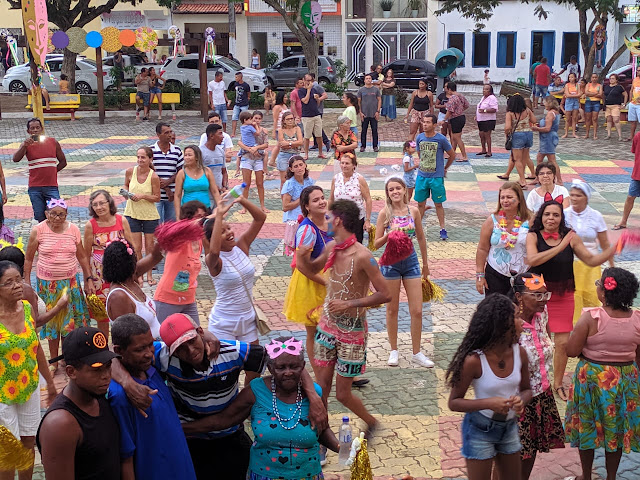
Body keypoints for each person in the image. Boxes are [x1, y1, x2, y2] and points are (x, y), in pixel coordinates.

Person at [181, 336, 338, 479]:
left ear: (303, 366)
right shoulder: (256, 392)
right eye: (281, 367)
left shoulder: (314, 394)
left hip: (308, 475)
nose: (288, 372)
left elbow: (323, 430)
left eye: (294, 366)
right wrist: (180, 429)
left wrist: (343, 448)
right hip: (264, 475)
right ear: (270, 368)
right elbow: (222, 420)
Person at [301, 199, 391, 436]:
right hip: (327, 327)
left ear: (339, 221)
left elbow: (386, 294)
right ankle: (321, 436)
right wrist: (300, 253)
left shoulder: (363, 256)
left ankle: (371, 422)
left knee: (342, 394)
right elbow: (311, 269)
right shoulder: (332, 247)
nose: (326, 221)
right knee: (321, 388)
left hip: (352, 332)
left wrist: (349, 303)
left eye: (328, 218)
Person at [526, 200, 617, 401]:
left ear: (561, 218)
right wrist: (561, 246)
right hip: (536, 296)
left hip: (563, 295)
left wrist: (610, 251)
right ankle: (535, 381)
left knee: (562, 343)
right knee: (536, 341)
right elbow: (533, 260)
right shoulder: (533, 236)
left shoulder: (571, 237)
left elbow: (590, 260)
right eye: (547, 214)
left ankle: (557, 383)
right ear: (541, 216)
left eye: (555, 215)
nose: (551, 218)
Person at [446, 294, 532, 479]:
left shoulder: (520, 354)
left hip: (509, 427)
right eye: (517, 317)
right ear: (502, 325)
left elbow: (527, 390)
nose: (522, 323)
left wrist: (521, 400)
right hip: (479, 429)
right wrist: (488, 403)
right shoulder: (474, 361)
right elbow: (454, 402)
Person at [566, 268, 640, 480]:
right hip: (625, 380)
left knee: (587, 428)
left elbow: (571, 350)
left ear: (605, 291)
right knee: (616, 430)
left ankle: (586, 476)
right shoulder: (637, 318)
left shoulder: (591, 317)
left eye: (599, 283)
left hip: (592, 380)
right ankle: (611, 477)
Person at [108, 314, 197, 480]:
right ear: (119, 351)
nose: (149, 353)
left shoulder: (151, 368)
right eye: (140, 349)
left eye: (150, 345)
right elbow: (126, 457)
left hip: (182, 468)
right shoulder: (121, 396)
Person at [0, 259, 59, 480]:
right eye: (9, 283)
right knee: (8, 449)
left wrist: (50, 383)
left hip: (28, 387)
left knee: (27, 441)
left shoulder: (26, 309)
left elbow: (36, 349)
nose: (17, 286)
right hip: (2, 395)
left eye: (19, 280)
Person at [37, 327, 120, 480]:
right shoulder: (61, 425)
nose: (106, 375)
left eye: (108, 366)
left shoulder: (98, 396)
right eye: (96, 370)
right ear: (71, 372)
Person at [23, 198, 92, 369]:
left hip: (70, 284)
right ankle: (54, 362)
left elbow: (82, 257)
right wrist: (27, 283)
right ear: (46, 214)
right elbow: (29, 258)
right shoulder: (38, 230)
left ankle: (67, 358)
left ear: (66, 215)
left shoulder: (73, 229)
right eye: (53, 214)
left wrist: (88, 279)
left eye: (61, 214)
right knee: (52, 323)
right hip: (48, 286)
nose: (57, 218)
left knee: (69, 324)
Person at [374, 176, 433, 368]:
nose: (395, 192)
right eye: (391, 189)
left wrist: (425, 264)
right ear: (387, 193)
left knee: (417, 310)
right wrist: (388, 235)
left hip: (411, 261)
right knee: (392, 309)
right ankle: (394, 350)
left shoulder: (413, 211)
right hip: (390, 263)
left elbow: (421, 237)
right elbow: (375, 244)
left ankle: (417, 352)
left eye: (398, 188)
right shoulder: (384, 213)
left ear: (404, 190)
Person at [511, 273, 565, 480]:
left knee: (530, 448)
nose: (543, 300)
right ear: (519, 296)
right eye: (537, 295)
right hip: (515, 400)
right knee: (510, 456)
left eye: (545, 294)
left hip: (541, 394)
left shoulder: (542, 314)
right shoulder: (509, 323)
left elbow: (546, 341)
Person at [283, 186, 332, 379]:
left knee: (337, 330)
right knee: (314, 332)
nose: (321, 202)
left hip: (331, 277)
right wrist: (325, 283)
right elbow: (302, 266)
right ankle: (320, 376)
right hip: (311, 284)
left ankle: (346, 373)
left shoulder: (330, 221)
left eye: (322, 197)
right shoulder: (306, 230)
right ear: (306, 206)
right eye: (315, 200)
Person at [205, 195, 266, 347]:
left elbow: (260, 219)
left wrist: (242, 200)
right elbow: (214, 251)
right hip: (224, 323)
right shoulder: (214, 261)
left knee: (254, 361)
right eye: (222, 231)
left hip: (248, 319)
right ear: (213, 239)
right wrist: (219, 215)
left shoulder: (241, 246)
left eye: (229, 228)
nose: (229, 233)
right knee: (229, 363)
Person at [83, 189, 132, 337]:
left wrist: (135, 274)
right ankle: (103, 345)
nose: (99, 207)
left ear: (109, 203)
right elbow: (85, 256)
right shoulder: (90, 225)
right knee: (102, 315)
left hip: (121, 272)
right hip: (99, 276)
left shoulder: (121, 220)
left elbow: (132, 248)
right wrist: (88, 280)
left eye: (102, 203)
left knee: (123, 310)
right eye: (95, 205)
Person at [564, 179, 612, 323]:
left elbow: (605, 244)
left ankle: (592, 328)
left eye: (578, 195)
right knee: (573, 298)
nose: (574, 198)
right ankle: (574, 330)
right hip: (569, 264)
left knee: (592, 297)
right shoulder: (563, 214)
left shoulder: (596, 216)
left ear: (586, 198)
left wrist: (612, 267)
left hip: (591, 265)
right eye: (572, 195)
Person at [475, 182, 532, 296]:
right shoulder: (491, 221)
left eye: (509, 197)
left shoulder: (530, 220)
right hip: (495, 275)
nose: (505, 200)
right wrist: (480, 276)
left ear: (519, 199)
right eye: (502, 197)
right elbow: (482, 249)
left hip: (524, 275)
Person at [103, 239, 161, 338]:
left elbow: (155, 257)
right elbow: (129, 339)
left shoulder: (130, 278)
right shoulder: (118, 297)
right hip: (149, 347)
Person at [12, 118, 67, 223]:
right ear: (28, 131)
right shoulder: (26, 145)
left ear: (42, 129)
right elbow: (15, 159)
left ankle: (55, 232)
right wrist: (24, 146)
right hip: (35, 187)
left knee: (57, 213)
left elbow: (63, 162)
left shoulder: (53, 142)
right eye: (32, 128)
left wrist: (52, 172)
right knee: (40, 216)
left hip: (51, 186)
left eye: (37, 127)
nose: (35, 130)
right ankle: (43, 233)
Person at [123, 146, 161, 286]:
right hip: (132, 213)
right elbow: (126, 185)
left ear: (150, 159)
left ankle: (149, 275)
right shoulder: (130, 171)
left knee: (149, 247)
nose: (140, 160)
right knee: (136, 247)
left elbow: (157, 197)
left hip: (149, 216)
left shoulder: (154, 176)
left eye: (143, 157)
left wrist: (143, 196)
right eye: (138, 157)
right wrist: (126, 192)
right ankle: (139, 275)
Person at [414, 114, 455, 238]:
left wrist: (445, 168)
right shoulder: (419, 137)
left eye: (428, 122)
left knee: (438, 204)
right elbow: (419, 154)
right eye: (424, 122)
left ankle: (442, 228)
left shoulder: (441, 139)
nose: (425, 124)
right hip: (422, 176)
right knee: (420, 204)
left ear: (434, 125)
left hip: (436, 177)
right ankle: (417, 228)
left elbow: (452, 155)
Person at [329, 153, 372, 244]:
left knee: (356, 244)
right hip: (339, 219)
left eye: (347, 163)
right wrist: (329, 216)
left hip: (356, 219)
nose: (344, 166)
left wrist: (368, 220)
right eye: (342, 163)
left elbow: (368, 199)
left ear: (354, 165)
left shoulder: (359, 179)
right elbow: (331, 199)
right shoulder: (336, 178)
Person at [281, 155, 314, 256]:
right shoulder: (290, 184)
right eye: (296, 166)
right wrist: (301, 199)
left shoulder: (309, 181)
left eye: (301, 165)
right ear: (291, 169)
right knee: (297, 251)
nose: (299, 168)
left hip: (309, 218)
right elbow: (285, 207)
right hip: (295, 220)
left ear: (305, 165)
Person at [151, 122, 184, 223]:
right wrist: (166, 188)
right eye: (166, 133)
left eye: (170, 132)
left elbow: (181, 171)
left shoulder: (177, 150)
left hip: (173, 195)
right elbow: (149, 173)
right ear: (158, 135)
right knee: (157, 224)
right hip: (156, 195)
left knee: (171, 225)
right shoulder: (151, 151)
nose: (169, 135)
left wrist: (168, 182)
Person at [174, 145, 218, 218]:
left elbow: (215, 191)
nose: (187, 158)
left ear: (197, 157)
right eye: (185, 155)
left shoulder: (207, 171)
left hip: (205, 210)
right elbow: (177, 195)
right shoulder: (182, 173)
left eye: (189, 155)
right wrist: (178, 216)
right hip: (188, 212)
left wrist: (220, 207)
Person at [238, 111, 270, 213]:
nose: (257, 121)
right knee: (246, 183)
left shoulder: (263, 131)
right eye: (255, 118)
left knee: (260, 183)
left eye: (259, 119)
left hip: (258, 159)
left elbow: (266, 144)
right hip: (247, 157)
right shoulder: (246, 128)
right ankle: (244, 206)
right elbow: (240, 142)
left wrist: (256, 148)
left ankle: (262, 206)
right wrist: (250, 149)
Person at [504, 94, 536, 189]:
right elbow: (534, 120)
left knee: (517, 159)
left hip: (517, 135)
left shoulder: (510, 113)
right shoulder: (527, 110)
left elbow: (508, 127)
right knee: (525, 158)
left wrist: (507, 134)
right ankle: (524, 176)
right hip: (528, 134)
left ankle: (522, 180)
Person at [614, 127, 640, 230]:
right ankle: (623, 221)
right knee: (630, 197)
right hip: (637, 173)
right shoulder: (638, 136)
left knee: (630, 197)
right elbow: (635, 151)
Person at [532, 97, 561, 178]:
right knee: (539, 158)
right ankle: (538, 177)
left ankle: (559, 180)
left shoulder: (550, 114)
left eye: (545, 102)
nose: (544, 104)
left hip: (547, 138)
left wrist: (536, 128)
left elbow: (547, 128)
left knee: (552, 160)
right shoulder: (556, 113)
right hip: (551, 137)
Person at [300, 74, 327, 160]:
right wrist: (308, 90)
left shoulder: (314, 90)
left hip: (316, 114)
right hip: (307, 116)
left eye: (311, 80)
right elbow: (305, 101)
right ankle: (306, 154)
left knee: (319, 135)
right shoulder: (301, 91)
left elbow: (317, 104)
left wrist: (317, 99)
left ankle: (320, 153)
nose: (309, 82)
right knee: (307, 136)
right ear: (304, 80)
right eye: (307, 80)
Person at [276, 111, 303, 187]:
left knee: (297, 178)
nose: (290, 121)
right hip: (284, 155)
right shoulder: (281, 130)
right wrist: (295, 143)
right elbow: (282, 144)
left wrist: (289, 143)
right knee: (284, 180)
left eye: (291, 119)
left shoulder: (297, 129)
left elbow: (300, 142)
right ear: (284, 121)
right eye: (288, 119)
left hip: (296, 155)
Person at [443, 82, 469, 162]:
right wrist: (460, 110)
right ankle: (452, 153)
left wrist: (444, 119)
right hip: (461, 117)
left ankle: (464, 156)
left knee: (457, 138)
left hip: (456, 118)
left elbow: (450, 110)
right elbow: (467, 105)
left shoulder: (452, 98)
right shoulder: (460, 95)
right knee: (454, 137)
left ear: (449, 89)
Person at [200, 122, 229, 193]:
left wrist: (224, 186)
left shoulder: (221, 151)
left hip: (218, 193)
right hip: (204, 193)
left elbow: (224, 172)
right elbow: (197, 174)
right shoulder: (200, 152)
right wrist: (212, 186)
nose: (223, 137)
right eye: (220, 134)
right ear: (212, 136)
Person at [357, 73, 382, 153]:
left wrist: (378, 111)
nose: (368, 80)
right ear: (364, 80)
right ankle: (363, 146)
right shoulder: (361, 90)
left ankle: (375, 146)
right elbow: (358, 102)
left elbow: (379, 100)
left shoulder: (376, 90)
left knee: (374, 130)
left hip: (374, 114)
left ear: (372, 80)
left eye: (369, 78)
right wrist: (360, 112)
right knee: (364, 130)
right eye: (367, 78)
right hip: (364, 114)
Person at [268, 91, 290, 179]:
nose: (286, 99)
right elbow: (275, 119)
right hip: (279, 128)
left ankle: (272, 160)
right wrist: (274, 131)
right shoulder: (277, 107)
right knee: (279, 145)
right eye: (285, 97)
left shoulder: (284, 106)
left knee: (279, 145)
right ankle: (272, 160)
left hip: (286, 129)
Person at [603, 73, 628, 141]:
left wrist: (624, 104)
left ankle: (620, 135)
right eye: (610, 78)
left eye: (613, 78)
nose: (611, 80)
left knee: (616, 119)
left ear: (616, 80)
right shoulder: (606, 87)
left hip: (616, 105)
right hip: (608, 105)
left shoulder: (619, 87)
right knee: (608, 120)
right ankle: (608, 134)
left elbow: (625, 95)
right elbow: (604, 95)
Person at [476, 84, 498, 157]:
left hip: (488, 120)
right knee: (481, 134)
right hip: (481, 119)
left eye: (486, 89)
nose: (484, 91)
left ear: (490, 91)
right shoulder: (483, 98)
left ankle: (489, 151)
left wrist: (484, 110)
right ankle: (483, 149)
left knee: (487, 135)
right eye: (483, 89)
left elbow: (494, 109)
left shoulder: (492, 98)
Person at [582, 73, 603, 140]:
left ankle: (595, 134)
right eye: (593, 77)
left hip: (596, 102)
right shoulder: (588, 85)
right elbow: (586, 93)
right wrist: (595, 93)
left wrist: (590, 94)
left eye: (595, 77)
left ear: (597, 78)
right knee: (588, 118)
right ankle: (587, 134)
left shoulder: (599, 86)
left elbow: (600, 94)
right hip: (588, 102)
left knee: (595, 118)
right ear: (591, 78)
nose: (594, 79)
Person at [231, 72, 251, 137]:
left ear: (240, 77)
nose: (235, 78)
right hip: (237, 104)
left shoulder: (246, 85)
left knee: (245, 118)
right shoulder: (236, 84)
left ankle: (245, 132)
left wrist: (247, 99)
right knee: (234, 118)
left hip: (244, 104)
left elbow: (248, 93)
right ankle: (233, 133)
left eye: (237, 77)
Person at [561, 73, 581, 139]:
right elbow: (567, 94)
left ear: (575, 78)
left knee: (574, 118)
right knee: (568, 118)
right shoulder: (567, 85)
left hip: (575, 101)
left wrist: (572, 95)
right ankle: (566, 133)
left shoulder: (577, 85)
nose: (571, 79)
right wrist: (575, 95)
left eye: (572, 77)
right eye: (569, 77)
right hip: (569, 101)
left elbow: (579, 94)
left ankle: (573, 133)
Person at [628, 69, 640, 141]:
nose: (638, 72)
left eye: (639, 70)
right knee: (632, 121)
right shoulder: (635, 79)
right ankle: (631, 136)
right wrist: (630, 99)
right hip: (633, 103)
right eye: (637, 70)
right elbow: (631, 90)